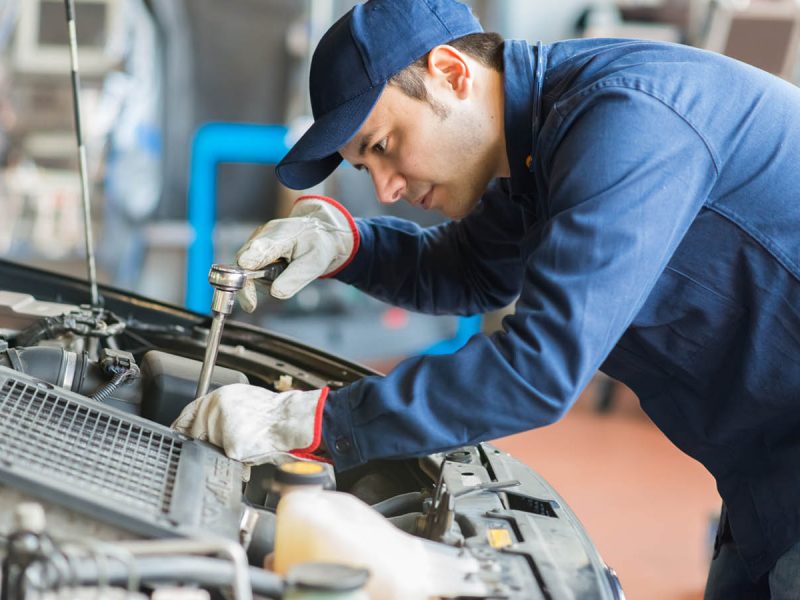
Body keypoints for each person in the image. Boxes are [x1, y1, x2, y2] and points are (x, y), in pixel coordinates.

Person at [172, 0, 800, 596]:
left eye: (384, 145)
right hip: (761, 477)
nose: (386, 189)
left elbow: (539, 370)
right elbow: (471, 269)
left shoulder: (624, 120)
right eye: (366, 169)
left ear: (450, 73)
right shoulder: (535, 150)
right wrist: (349, 244)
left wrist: (313, 422)